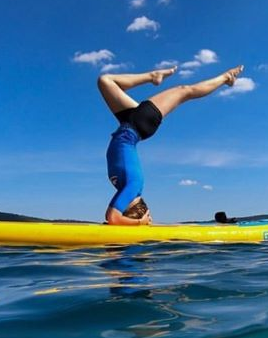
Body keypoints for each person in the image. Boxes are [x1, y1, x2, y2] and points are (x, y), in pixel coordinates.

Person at [98, 64, 245, 225]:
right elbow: (113, 217)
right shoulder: (133, 186)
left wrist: (139, 222)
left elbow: (112, 217)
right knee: (185, 91)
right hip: (137, 126)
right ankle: (226, 77)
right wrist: (140, 222)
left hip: (130, 125)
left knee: (105, 81)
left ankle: (153, 76)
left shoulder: (129, 188)